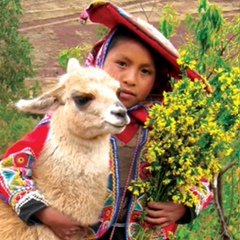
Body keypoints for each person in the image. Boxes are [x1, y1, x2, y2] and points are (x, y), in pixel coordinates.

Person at [0, 1, 212, 240]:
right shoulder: (68, 120)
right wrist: (45, 214)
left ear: (155, 80)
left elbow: (203, 178)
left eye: (145, 71)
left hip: (145, 234)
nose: (130, 79)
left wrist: (184, 207)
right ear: (100, 60)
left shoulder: (164, 130)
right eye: (122, 64)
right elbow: (9, 170)